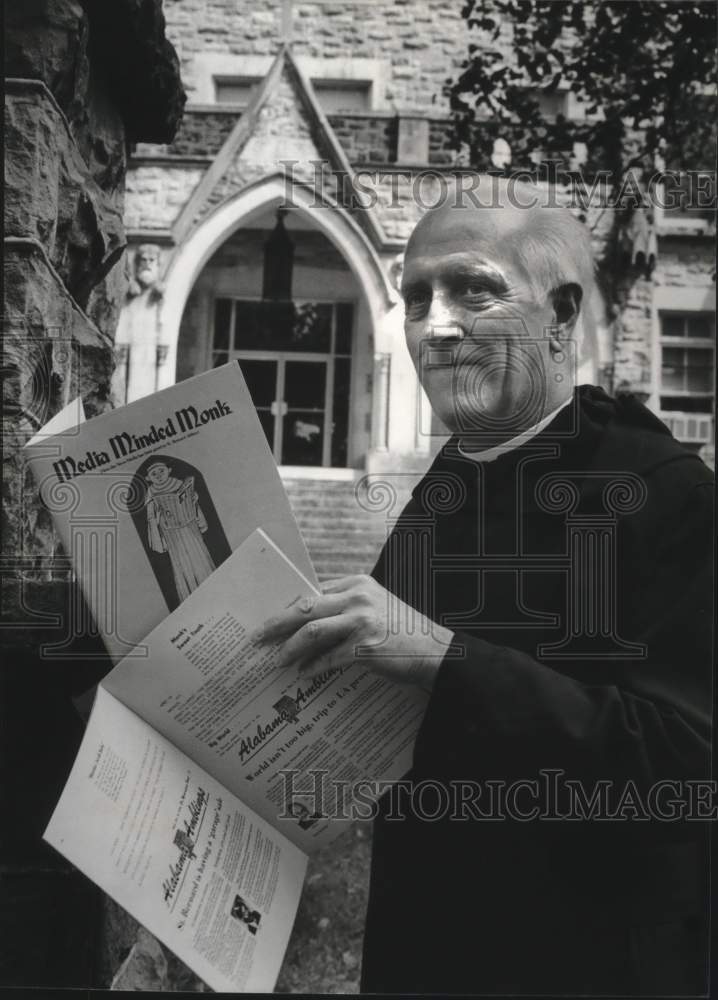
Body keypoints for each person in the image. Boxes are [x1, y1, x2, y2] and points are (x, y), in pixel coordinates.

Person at [255, 177, 713, 995]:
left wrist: (444, 655)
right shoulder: (449, 485)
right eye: (415, 296)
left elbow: (688, 769)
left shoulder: (672, 495)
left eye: (473, 288)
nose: (434, 325)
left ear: (563, 316)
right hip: (426, 946)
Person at [144, 460, 216, 602]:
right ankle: (191, 596)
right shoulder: (151, 491)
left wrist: (193, 499)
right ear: (148, 478)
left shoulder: (178, 483)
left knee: (198, 555)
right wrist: (156, 517)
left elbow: (189, 500)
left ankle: (212, 589)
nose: (158, 475)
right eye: (154, 474)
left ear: (169, 470)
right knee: (182, 563)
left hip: (189, 526)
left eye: (161, 471)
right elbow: (151, 514)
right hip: (171, 532)